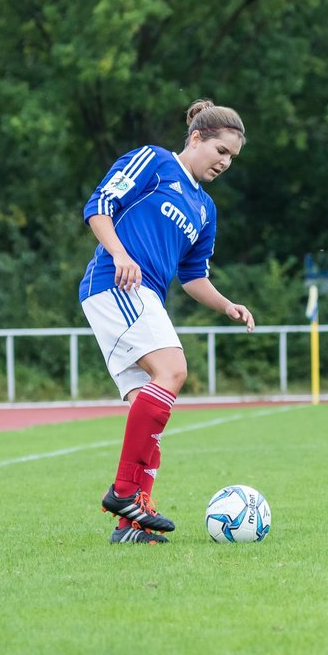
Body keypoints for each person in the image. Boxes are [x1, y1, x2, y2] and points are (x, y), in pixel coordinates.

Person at [79, 99, 255, 544]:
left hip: (146, 297)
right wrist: (120, 254)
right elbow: (98, 205)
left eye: (232, 158)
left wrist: (226, 305)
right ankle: (123, 492)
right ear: (196, 137)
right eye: (220, 151)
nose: (225, 163)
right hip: (114, 284)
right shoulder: (155, 162)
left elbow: (194, 277)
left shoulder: (205, 210)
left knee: (150, 404)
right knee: (173, 370)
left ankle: (131, 526)